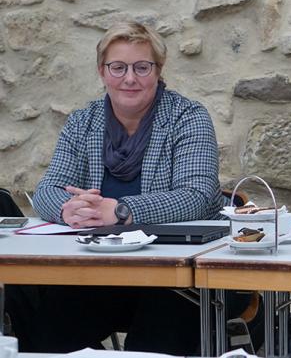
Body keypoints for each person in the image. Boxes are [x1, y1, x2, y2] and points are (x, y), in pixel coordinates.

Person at [8, 21, 225, 354]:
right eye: (118, 67)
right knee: (46, 331)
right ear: (102, 72)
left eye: (142, 67)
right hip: (103, 272)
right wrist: (69, 210)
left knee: (155, 340)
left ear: (158, 71)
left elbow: (195, 197)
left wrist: (122, 211)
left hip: (178, 279)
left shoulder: (187, 117)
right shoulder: (83, 121)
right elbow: (48, 190)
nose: (130, 78)